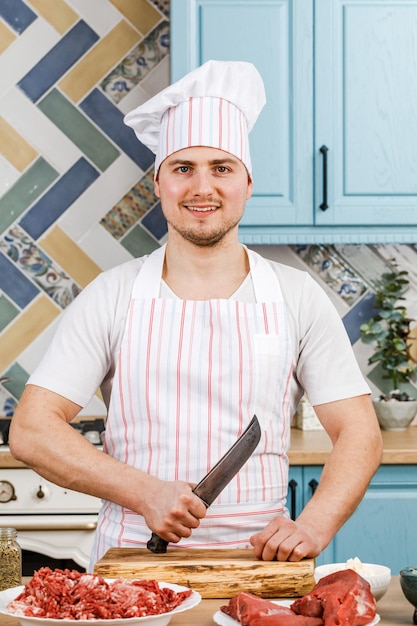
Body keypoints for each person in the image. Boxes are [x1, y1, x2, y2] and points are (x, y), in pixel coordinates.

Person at [9, 60, 382, 571]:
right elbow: (31, 430)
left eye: (221, 168)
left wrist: (313, 525)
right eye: (183, 168)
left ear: (247, 184)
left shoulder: (297, 296)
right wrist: (144, 492)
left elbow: (359, 433)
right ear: (158, 183)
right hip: (133, 562)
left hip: (256, 565)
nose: (201, 188)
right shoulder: (112, 296)